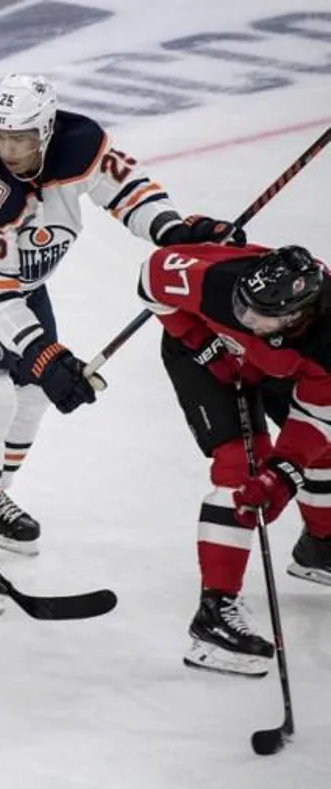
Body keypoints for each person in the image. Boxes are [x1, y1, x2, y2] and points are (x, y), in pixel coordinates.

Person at [0, 73, 244, 615]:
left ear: (46, 130)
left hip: (20, 283)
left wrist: (173, 231)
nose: (8, 150)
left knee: (33, 395)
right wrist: (43, 353)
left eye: (21, 138)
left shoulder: (81, 144)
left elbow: (128, 190)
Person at [139, 242, 331, 677]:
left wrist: (282, 477)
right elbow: (151, 276)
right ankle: (214, 615)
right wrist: (202, 342)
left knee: (322, 452)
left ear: (299, 316)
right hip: (207, 359)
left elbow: (317, 418)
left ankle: (320, 547)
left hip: (285, 367)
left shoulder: (326, 343)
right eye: (243, 307)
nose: (244, 318)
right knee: (242, 468)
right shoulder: (219, 282)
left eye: (258, 317)